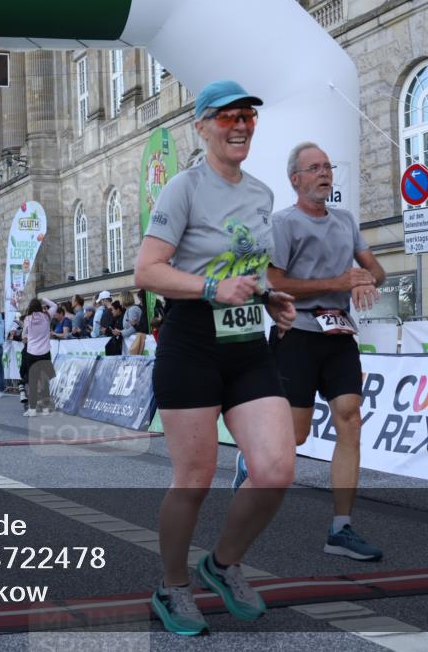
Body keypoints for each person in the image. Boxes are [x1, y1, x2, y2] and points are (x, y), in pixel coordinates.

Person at [135, 79, 296, 635]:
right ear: (201, 126)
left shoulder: (261, 194)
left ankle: (222, 565)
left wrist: (267, 296)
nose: (240, 126)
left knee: (276, 470)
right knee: (195, 477)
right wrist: (209, 291)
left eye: (247, 116)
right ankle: (173, 587)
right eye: (226, 117)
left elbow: (249, 272)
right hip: (191, 344)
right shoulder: (182, 189)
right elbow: (148, 271)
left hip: (248, 344)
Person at [242, 141, 386, 562]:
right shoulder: (283, 224)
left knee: (350, 419)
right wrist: (338, 282)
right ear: (295, 179)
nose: (325, 173)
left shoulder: (345, 221)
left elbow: (375, 268)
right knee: (297, 435)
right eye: (314, 168)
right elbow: (276, 283)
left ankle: (341, 528)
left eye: (328, 166)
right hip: (297, 334)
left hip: (339, 335)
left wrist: (363, 280)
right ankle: (250, 466)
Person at [21, 296, 57, 416]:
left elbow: (25, 336)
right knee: (45, 380)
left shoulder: (27, 319)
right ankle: (46, 409)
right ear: (40, 307)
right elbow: (55, 306)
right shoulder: (47, 316)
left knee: (33, 381)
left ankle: (32, 409)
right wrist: (44, 299)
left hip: (32, 353)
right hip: (45, 352)